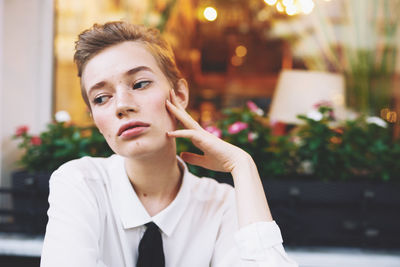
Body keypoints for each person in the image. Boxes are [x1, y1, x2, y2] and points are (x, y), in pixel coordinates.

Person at [40, 21, 298, 267]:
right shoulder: (80, 185)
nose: (122, 105)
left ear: (180, 95)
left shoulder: (223, 206)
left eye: (140, 84)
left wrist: (243, 166)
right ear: (96, 119)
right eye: (101, 98)